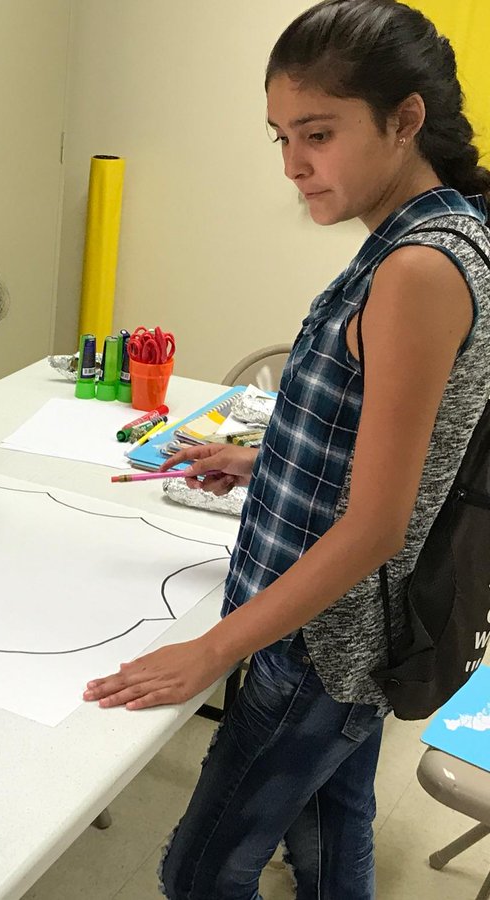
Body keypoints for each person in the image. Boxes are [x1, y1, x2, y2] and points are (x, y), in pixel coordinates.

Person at [82, 2, 490, 896]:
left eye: (318, 133)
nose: (294, 164)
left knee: (201, 868)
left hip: (318, 641)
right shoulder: (428, 234)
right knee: (329, 824)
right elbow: (392, 447)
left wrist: (214, 650)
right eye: (280, 136)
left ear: (406, 118)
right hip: (341, 634)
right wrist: (261, 461)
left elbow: (379, 524)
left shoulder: (419, 266)